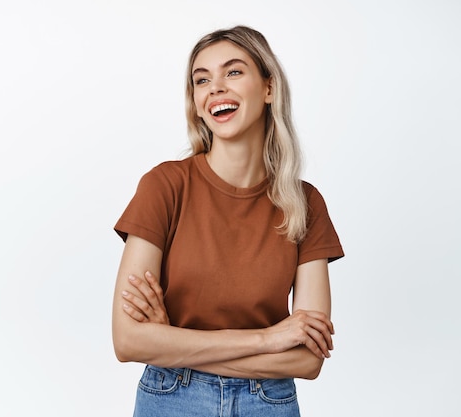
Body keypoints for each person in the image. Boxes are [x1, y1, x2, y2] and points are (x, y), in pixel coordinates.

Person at [112, 25, 344, 417]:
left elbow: (307, 360)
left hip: (268, 403)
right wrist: (269, 339)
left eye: (233, 72)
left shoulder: (306, 203)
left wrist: (174, 343)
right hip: (171, 398)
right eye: (201, 80)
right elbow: (128, 341)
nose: (215, 87)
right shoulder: (164, 186)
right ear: (197, 102)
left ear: (269, 88)